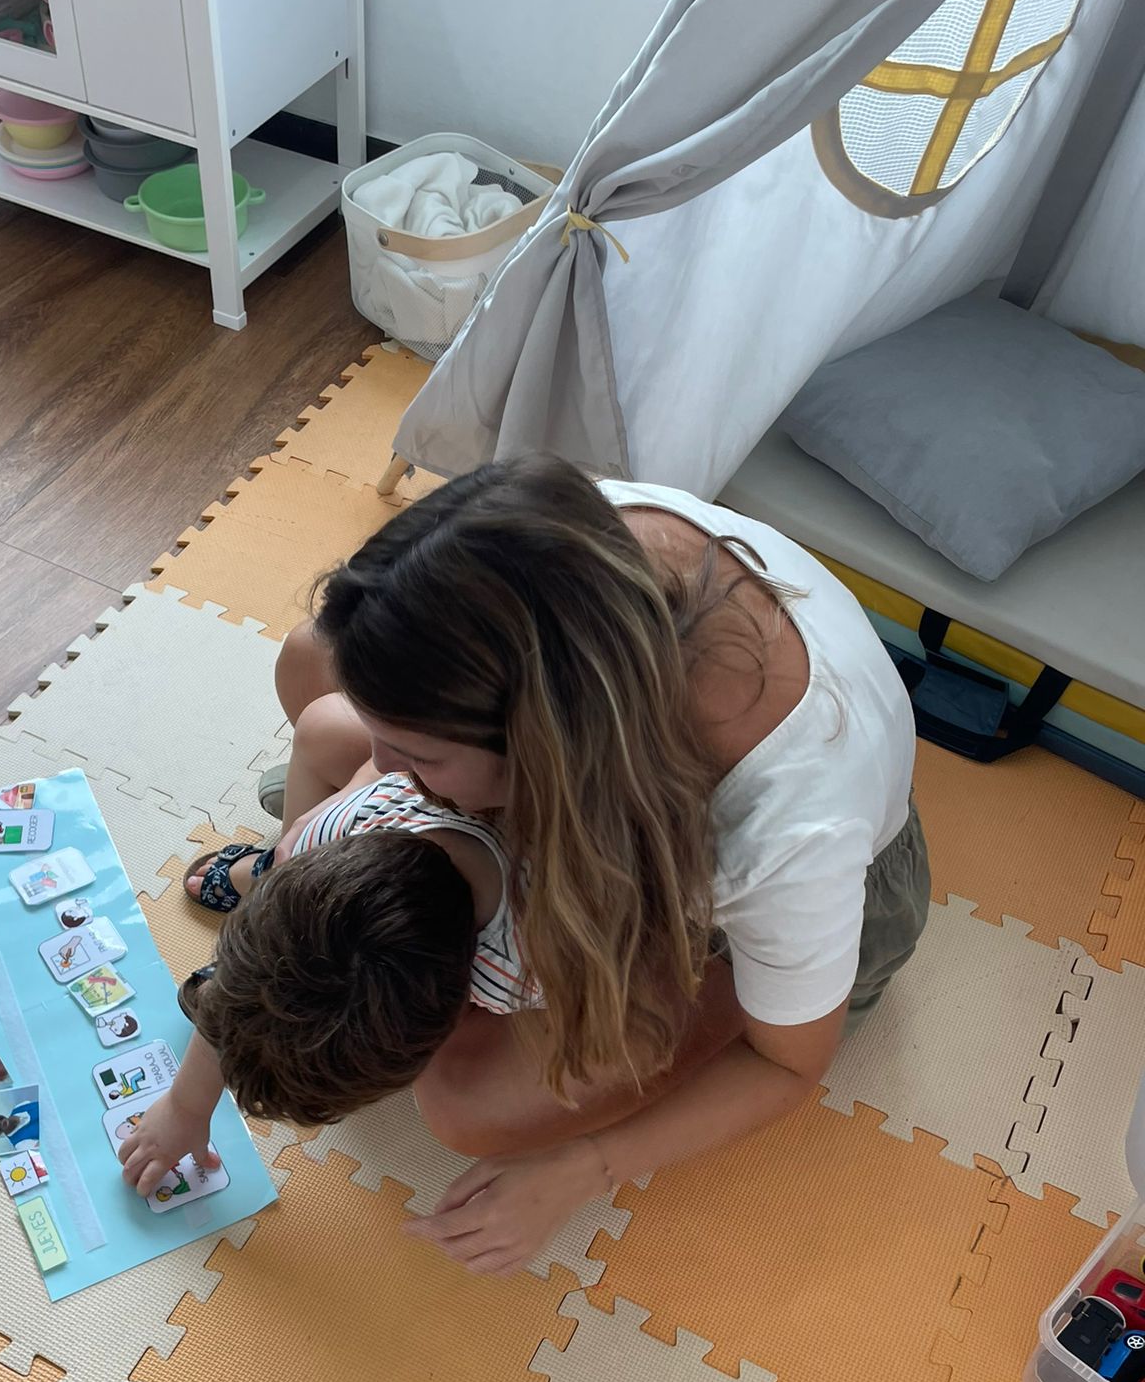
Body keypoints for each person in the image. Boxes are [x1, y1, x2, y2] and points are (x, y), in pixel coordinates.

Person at [189, 454, 929, 1277]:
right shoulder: (544, 546)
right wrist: (314, 902)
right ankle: (341, 890)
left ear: (549, 756)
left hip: (768, 904)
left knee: (464, 1106)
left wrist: (585, 1167)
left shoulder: (781, 837)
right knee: (307, 661)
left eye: (417, 754)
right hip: (600, 786)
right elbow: (343, 726)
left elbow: (789, 1063)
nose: (385, 773)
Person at [117, 772, 532, 1196]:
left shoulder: (521, 971)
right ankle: (263, 868)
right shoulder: (328, 829)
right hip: (395, 800)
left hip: (529, 843)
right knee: (319, 730)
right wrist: (185, 1107)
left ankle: (261, 875)